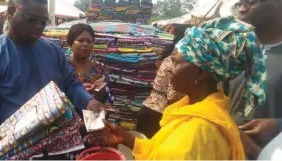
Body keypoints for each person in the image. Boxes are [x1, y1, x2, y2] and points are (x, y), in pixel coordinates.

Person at [85, 16, 266, 160]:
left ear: (200, 73)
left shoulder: (198, 130)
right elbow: (161, 153)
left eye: (176, 62)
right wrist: (126, 138)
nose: (169, 68)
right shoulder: (194, 111)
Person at [0, 0, 104, 159]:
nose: (39, 27)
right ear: (11, 12)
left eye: (43, 22)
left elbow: (71, 84)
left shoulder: (53, 52)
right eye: (32, 20)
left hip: (55, 149)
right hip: (13, 151)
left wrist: (88, 101)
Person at [229, 0, 282, 158]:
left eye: (250, 2)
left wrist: (278, 126)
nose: (242, 10)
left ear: (278, 1)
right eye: (240, 3)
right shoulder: (235, 51)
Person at [136, 25, 190, 138]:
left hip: (149, 107)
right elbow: (172, 96)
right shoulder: (178, 64)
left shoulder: (169, 58)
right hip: (159, 114)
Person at [67, 23, 113, 107]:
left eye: (89, 41)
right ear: (71, 42)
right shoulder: (63, 66)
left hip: (96, 116)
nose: (85, 44)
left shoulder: (100, 68)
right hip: (71, 117)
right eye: (80, 40)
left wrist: (103, 93)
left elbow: (109, 95)